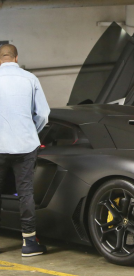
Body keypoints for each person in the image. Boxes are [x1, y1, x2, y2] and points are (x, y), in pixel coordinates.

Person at [0, 44, 50, 256]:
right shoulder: (30, 79)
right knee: (25, 193)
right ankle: (29, 243)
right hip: (25, 145)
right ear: (16, 57)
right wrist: (32, 131)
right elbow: (44, 114)